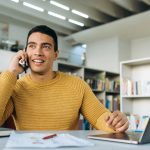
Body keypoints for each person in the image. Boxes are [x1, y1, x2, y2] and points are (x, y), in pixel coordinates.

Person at [0, 25, 129, 132]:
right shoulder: (15, 87)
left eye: (46, 46)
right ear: (24, 52)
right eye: (32, 46)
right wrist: (11, 72)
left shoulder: (77, 85)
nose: (38, 52)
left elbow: (99, 117)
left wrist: (116, 123)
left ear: (55, 54)